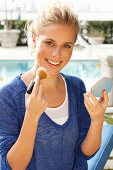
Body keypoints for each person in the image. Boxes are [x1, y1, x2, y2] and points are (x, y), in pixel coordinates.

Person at [0, 1, 109, 170]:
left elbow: (86, 152)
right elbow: (12, 166)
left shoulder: (76, 87)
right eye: (49, 43)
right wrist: (32, 115)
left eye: (66, 46)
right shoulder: (8, 96)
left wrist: (97, 120)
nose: (57, 54)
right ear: (34, 41)